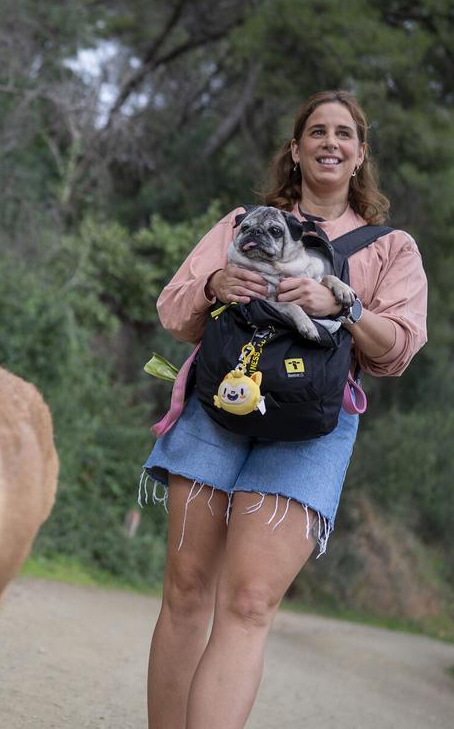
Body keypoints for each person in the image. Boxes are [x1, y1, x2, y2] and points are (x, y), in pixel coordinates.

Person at [141, 90, 428, 729]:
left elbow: (398, 350)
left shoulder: (392, 249)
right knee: (186, 591)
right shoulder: (243, 222)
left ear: (360, 155)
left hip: (311, 429)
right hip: (217, 407)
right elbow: (173, 309)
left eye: (345, 134)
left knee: (246, 604)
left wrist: (344, 305)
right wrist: (216, 284)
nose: (331, 142)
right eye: (317, 132)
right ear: (295, 150)